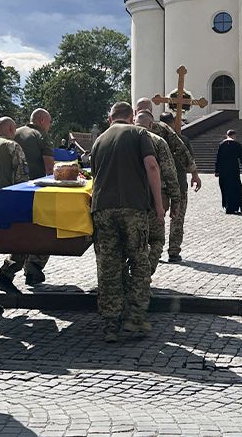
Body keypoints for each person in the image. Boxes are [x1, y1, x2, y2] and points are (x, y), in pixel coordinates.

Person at [89, 102, 165, 342]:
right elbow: (151, 165)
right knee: (139, 261)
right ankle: (134, 318)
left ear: (110, 119)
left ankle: (111, 323)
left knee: (109, 265)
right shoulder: (140, 133)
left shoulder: (99, 140)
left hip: (102, 209)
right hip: (133, 207)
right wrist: (159, 204)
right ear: (132, 117)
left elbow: (95, 176)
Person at [134, 98, 201, 263]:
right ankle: (173, 251)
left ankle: (150, 251)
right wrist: (194, 172)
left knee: (150, 218)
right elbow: (181, 150)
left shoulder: (130, 131)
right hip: (172, 181)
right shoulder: (162, 130)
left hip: (146, 185)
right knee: (176, 217)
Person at [3, 108, 55, 286]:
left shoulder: (15, 133)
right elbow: (50, 167)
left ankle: (9, 270)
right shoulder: (41, 135)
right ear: (41, 120)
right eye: (49, 122)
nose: (50, 126)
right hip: (36, 192)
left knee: (21, 232)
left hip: (14, 190)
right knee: (46, 229)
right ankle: (34, 266)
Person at [0, 117, 30, 313]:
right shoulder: (12, 146)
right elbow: (22, 180)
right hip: (6, 203)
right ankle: (6, 274)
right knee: (24, 242)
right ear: (12, 129)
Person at [135, 111, 180, 275]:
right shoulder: (157, 141)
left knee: (132, 241)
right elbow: (169, 173)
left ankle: (132, 274)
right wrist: (176, 201)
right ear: (151, 125)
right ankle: (143, 276)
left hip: (128, 199)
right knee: (156, 239)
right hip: (154, 199)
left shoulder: (125, 139)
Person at [215, 129, 242, 214]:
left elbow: (218, 159)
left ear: (227, 135)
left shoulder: (221, 145)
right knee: (235, 188)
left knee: (225, 188)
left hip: (223, 171)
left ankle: (227, 206)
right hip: (234, 170)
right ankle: (235, 207)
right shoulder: (237, 145)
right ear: (234, 136)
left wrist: (216, 171)